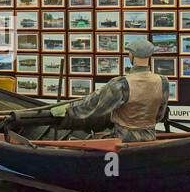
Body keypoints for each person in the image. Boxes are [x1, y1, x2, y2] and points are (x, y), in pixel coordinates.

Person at [19, 37, 167, 143]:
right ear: (150, 56)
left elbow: (93, 106)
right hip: (150, 137)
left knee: (84, 141)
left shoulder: (121, 84)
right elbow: (159, 116)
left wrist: (67, 109)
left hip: (123, 139)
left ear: (131, 56)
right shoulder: (163, 81)